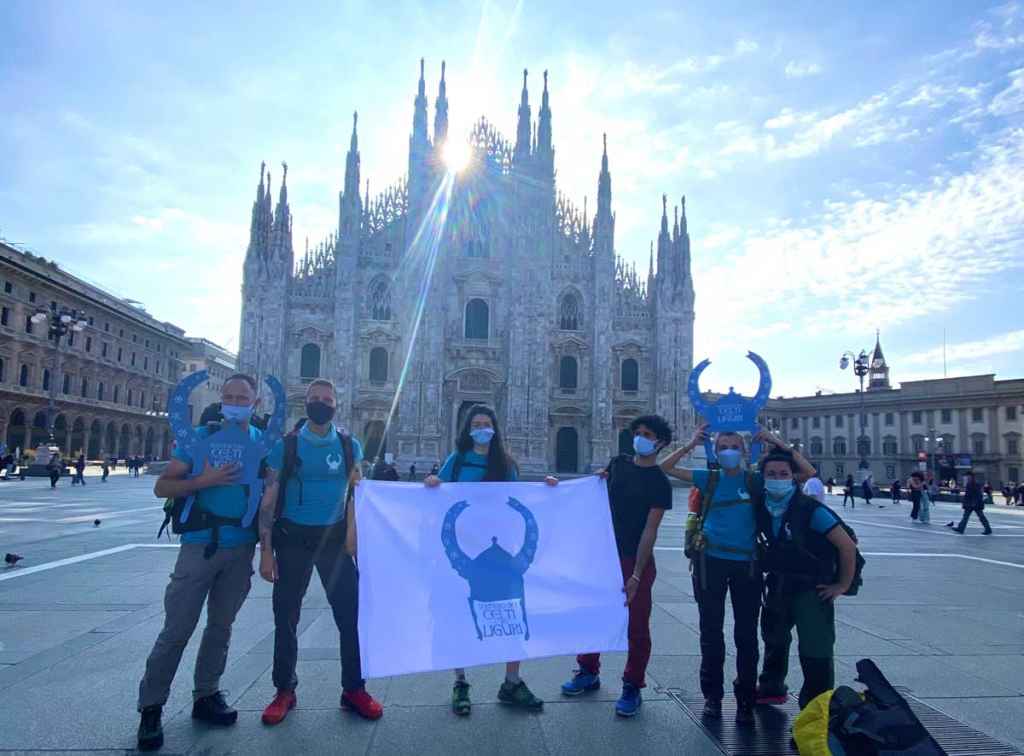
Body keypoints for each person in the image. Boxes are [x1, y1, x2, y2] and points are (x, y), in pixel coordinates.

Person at [136, 373, 264, 752]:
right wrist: (202, 481)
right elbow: (164, 487)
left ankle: (206, 695)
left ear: (255, 403)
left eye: (243, 396)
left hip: (241, 549)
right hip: (199, 546)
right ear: (222, 399)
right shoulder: (199, 438)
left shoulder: (263, 441)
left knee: (221, 628)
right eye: (229, 395)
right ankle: (151, 707)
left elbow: (271, 488)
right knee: (177, 629)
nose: (235, 400)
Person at [659, 424, 815, 725]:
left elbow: (806, 473)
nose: (728, 452)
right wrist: (691, 444)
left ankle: (745, 698)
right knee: (711, 633)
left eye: (734, 447)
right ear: (716, 452)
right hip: (710, 564)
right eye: (722, 447)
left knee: (746, 636)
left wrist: (774, 440)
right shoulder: (710, 478)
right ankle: (712, 699)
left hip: (748, 565)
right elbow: (665, 467)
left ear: (744, 451)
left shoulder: (757, 480)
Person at [258, 379, 383, 726]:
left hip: (335, 541)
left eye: (326, 399)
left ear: (335, 405)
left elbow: (357, 492)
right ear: (306, 403)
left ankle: (353, 689)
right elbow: (268, 500)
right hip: (293, 539)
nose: (320, 403)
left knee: (351, 617)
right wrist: (265, 551)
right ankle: (284, 690)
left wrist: (353, 536)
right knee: (286, 617)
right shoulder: (288, 445)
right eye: (315, 399)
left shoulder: (348, 445)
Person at [424, 405, 556, 715]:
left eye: (486, 423)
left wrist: (547, 490)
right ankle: (460, 683)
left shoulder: (505, 463)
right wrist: (432, 484)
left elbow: (518, 499)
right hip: (467, 551)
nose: (482, 428)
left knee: (512, 614)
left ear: (494, 428)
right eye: (476, 423)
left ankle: (512, 681)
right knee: (458, 615)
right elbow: (439, 497)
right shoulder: (456, 462)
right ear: (467, 429)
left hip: (502, 552)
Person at [561, 415, 673, 717]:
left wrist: (637, 573)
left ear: (660, 442)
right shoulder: (618, 464)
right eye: (637, 432)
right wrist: (558, 489)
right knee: (593, 615)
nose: (640, 437)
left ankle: (632, 684)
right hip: (603, 555)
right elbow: (594, 493)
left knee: (636, 626)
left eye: (647, 434)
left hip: (633, 560)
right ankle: (588, 670)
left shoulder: (660, 483)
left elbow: (650, 531)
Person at [755, 451, 858, 710]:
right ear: (763, 478)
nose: (777, 479)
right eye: (771, 474)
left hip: (811, 587)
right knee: (774, 636)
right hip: (779, 582)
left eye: (783, 474)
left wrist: (842, 585)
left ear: (793, 478)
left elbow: (846, 545)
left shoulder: (809, 509)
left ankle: (816, 709)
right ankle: (771, 687)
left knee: (815, 646)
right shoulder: (763, 505)